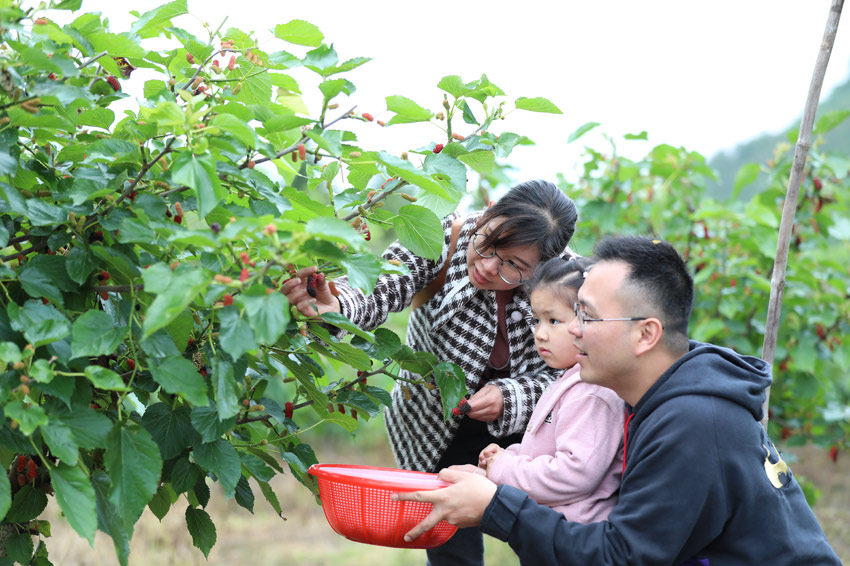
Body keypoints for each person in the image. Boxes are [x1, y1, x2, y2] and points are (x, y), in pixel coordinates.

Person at [394, 235, 842, 566]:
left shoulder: (693, 423)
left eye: (586, 315)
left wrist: (496, 507)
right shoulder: (659, 398)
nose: (573, 329)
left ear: (646, 333)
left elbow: (621, 559)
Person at [281, 180, 578, 566]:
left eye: (514, 266)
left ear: (544, 267)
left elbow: (577, 374)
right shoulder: (441, 237)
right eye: (487, 243)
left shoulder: (569, 284)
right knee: (450, 545)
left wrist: (513, 397)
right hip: (440, 424)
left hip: (532, 432)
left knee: (542, 537)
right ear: (486, 212)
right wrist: (336, 305)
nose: (488, 266)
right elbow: (378, 288)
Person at [471, 255, 624, 525]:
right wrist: (509, 456)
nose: (539, 334)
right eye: (537, 320)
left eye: (553, 321)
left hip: (574, 538)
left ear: (587, 320)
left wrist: (505, 469)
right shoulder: (570, 379)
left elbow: (575, 473)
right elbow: (549, 450)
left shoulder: (592, 392)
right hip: (553, 533)